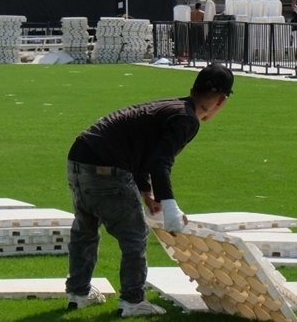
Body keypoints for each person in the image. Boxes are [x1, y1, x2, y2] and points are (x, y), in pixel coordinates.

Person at [65, 63, 234, 317]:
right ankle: (132, 301)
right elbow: (160, 161)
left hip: (79, 159)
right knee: (134, 235)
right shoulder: (186, 119)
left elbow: (141, 151)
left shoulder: (172, 107)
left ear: (192, 89)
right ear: (221, 101)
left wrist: (146, 193)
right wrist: (170, 208)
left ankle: (78, 293)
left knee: (85, 230)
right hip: (106, 166)